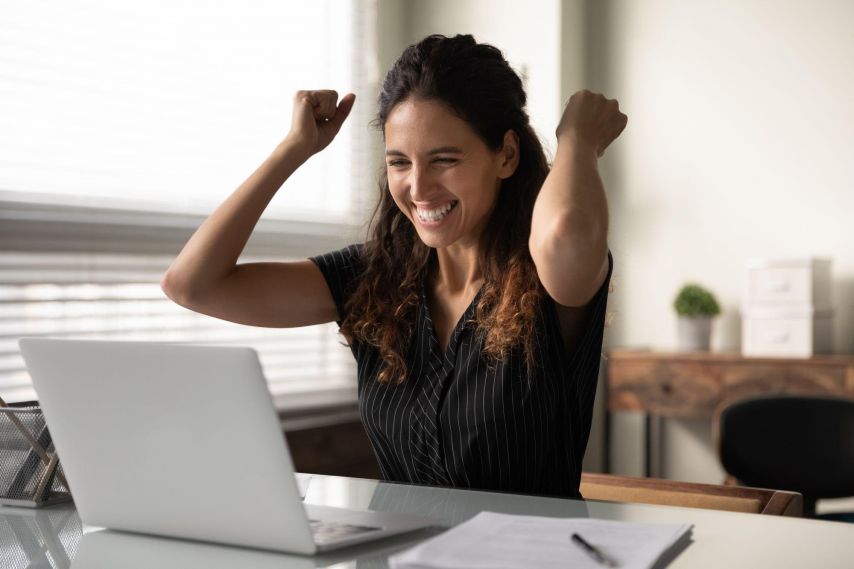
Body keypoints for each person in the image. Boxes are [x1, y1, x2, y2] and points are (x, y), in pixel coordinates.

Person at [161, 34, 627, 499]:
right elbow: (192, 284)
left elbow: (566, 231)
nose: (419, 187)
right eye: (399, 162)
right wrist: (294, 149)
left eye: (444, 159)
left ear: (505, 155)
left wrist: (577, 139)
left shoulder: (546, 276)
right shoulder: (374, 278)